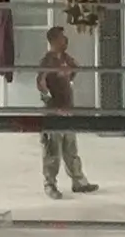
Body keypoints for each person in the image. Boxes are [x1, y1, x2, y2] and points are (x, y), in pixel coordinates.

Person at [36, 26, 99, 199]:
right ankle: (50, 185)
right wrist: (49, 99)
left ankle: (78, 182)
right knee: (52, 151)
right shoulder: (47, 61)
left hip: (68, 111)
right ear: (54, 40)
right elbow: (41, 83)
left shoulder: (65, 58)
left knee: (71, 149)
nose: (65, 40)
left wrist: (68, 78)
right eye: (62, 38)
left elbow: (76, 67)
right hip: (54, 113)